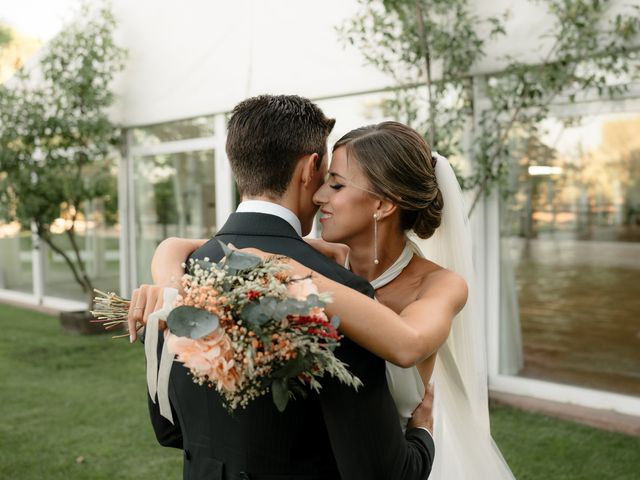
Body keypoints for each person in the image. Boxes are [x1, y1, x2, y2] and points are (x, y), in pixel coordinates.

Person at [137, 120, 516, 479]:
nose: (318, 196)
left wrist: (291, 268)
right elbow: (180, 246)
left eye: (336, 185)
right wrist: (171, 284)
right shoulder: (313, 258)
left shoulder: (438, 284)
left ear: (384, 204)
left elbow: (408, 343)